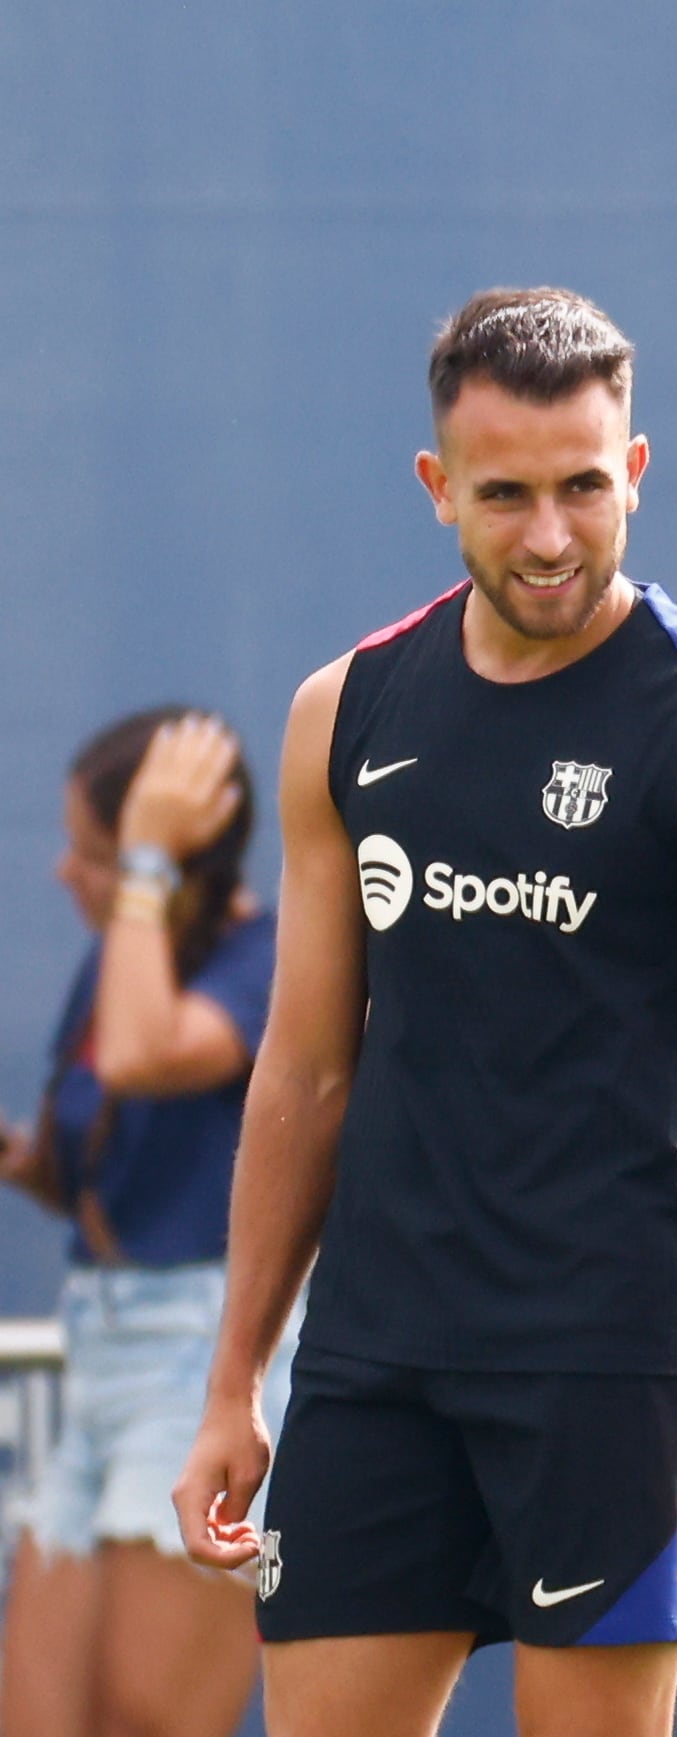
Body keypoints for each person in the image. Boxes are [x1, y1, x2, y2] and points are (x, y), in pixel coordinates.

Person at [168, 287, 677, 1737]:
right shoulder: (345, 712)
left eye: (586, 487)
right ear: (438, 490)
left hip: (608, 1368)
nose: (550, 535)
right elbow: (302, 1071)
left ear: (636, 470)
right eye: (507, 494)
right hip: (375, 1356)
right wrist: (234, 1378)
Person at [0, 709, 286, 1737]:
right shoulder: (114, 960)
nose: (65, 875)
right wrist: (27, 1167)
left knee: (149, 1724)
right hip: (102, 1357)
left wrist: (147, 860)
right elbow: (90, 1168)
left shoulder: (271, 958)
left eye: (91, 853)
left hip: (204, 1368)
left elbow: (142, 1055)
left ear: (166, 863)